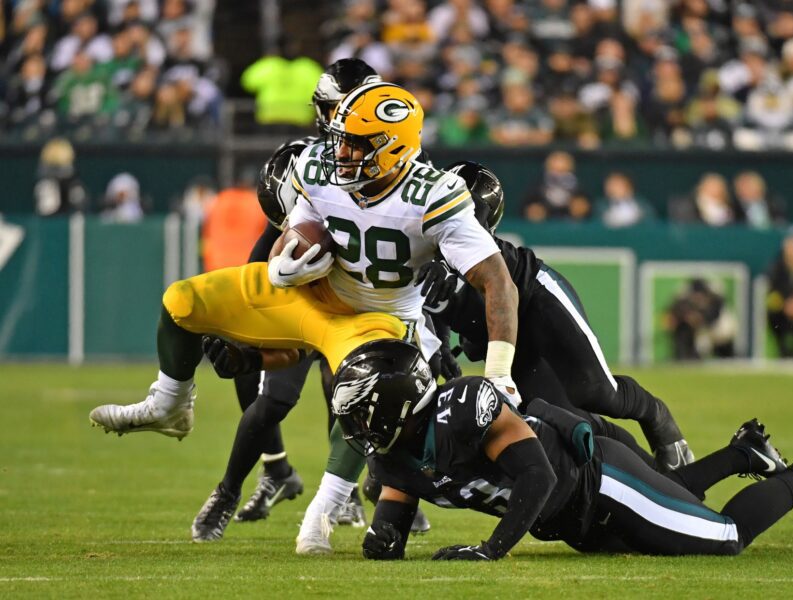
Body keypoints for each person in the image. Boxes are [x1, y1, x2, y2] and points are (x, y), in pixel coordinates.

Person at [89, 80, 520, 559]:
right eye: (341, 138)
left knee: (373, 394)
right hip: (306, 296)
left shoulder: (434, 195)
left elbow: (498, 282)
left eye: (357, 144)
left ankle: (323, 512)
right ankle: (169, 404)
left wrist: (498, 373)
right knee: (183, 301)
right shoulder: (317, 166)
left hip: (372, 317)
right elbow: (295, 227)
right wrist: (284, 258)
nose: (343, 152)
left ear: (394, 149)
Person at [331, 339, 793, 561]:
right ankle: (744, 453)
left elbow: (537, 478)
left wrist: (490, 549)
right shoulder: (393, 456)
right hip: (572, 522)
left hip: (598, 480)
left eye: (360, 411)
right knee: (674, 502)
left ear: (397, 401)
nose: (354, 425)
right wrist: (381, 541)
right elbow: (389, 540)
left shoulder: (464, 405)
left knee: (723, 537)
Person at [417, 161, 691, 472]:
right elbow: (427, 304)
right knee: (555, 418)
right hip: (502, 333)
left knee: (595, 391)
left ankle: (655, 413)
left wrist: (446, 264)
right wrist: (440, 344)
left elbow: (483, 266)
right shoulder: (405, 238)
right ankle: (660, 479)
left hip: (538, 298)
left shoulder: (468, 243)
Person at [664, 278, 737, 360]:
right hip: (699, 333)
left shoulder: (715, 299)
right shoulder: (684, 299)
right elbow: (672, 315)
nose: (698, 297)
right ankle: (686, 358)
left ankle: (729, 356)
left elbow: (713, 318)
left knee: (722, 333)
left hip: (716, 329)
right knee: (691, 337)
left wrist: (699, 319)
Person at [522, 151, 591, 222]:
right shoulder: (538, 185)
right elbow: (528, 204)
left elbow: (587, 205)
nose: (559, 176)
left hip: (571, 222)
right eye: (555, 171)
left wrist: (580, 207)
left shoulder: (578, 186)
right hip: (544, 222)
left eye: (563, 171)